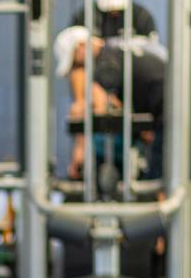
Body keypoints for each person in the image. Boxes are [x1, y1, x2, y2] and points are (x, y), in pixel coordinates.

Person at [54, 25, 166, 181]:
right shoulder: (113, 50)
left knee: (160, 182)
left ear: (81, 46)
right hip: (170, 107)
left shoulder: (104, 65)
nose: (78, 69)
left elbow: (100, 107)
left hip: (168, 112)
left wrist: (80, 151)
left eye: (75, 63)